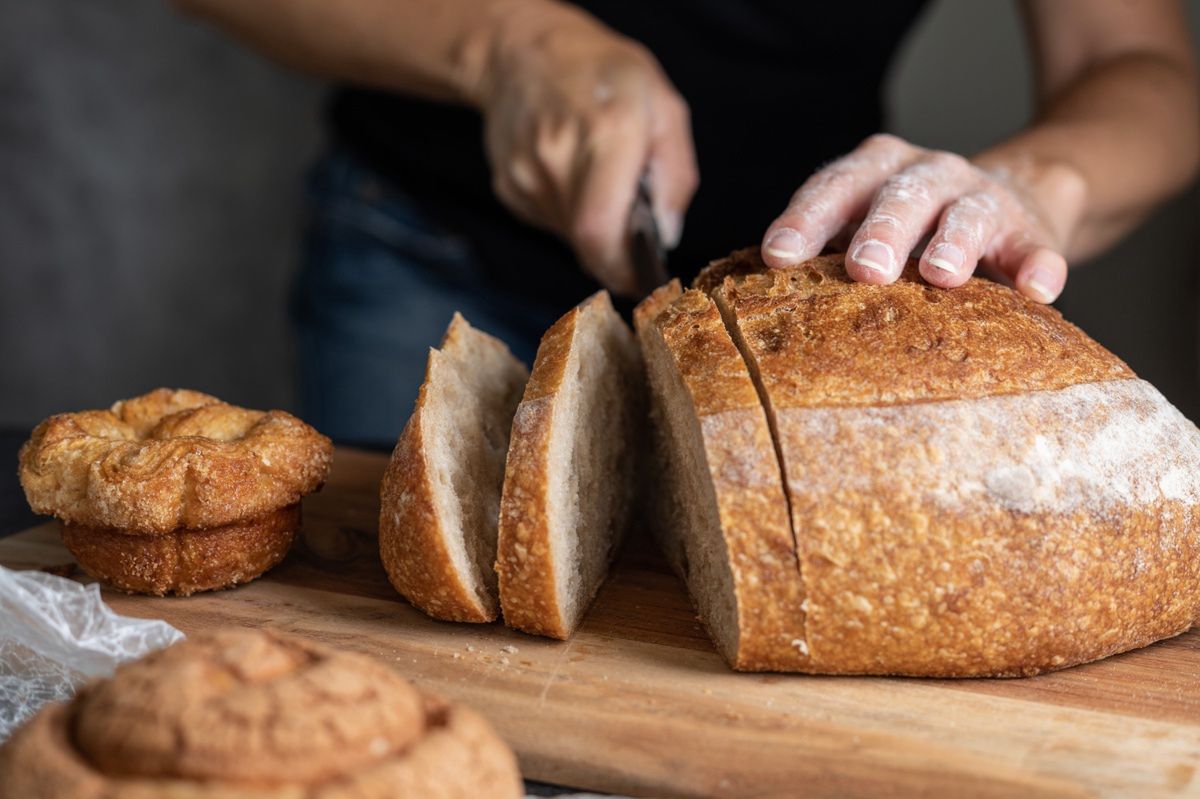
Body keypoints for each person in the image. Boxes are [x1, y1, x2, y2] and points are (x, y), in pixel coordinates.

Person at [176, 0, 1199, 447]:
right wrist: (507, 44)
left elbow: (1142, 65)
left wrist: (1035, 184)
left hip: (804, 329)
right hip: (431, 259)